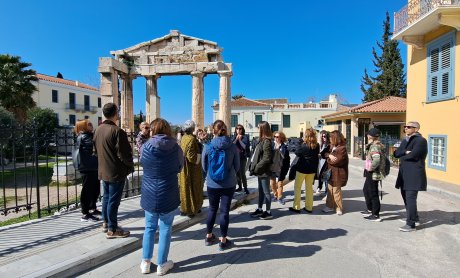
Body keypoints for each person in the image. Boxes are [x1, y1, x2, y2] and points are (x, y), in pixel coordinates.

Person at [139, 118, 184, 275]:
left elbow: (142, 162)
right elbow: (180, 167)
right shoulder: (176, 148)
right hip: (168, 191)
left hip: (150, 191)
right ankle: (162, 263)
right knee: (165, 228)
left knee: (149, 227)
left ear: (153, 130)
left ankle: (145, 261)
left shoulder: (146, 147)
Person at [93, 103, 134, 238]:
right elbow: (124, 153)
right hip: (115, 171)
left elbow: (95, 151)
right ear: (116, 113)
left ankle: (106, 222)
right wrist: (129, 166)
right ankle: (113, 228)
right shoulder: (117, 131)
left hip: (103, 169)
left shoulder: (98, 130)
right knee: (113, 201)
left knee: (106, 198)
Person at [202, 120, 240, 251]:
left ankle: (208, 236)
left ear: (213, 131)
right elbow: (238, 166)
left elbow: (204, 166)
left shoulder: (208, 146)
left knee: (212, 209)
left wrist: (210, 175)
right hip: (228, 183)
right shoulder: (232, 146)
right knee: (224, 212)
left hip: (212, 184)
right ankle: (223, 241)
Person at [394, 121, 427, 232]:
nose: (406, 128)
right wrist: (405, 152)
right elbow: (396, 154)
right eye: (405, 127)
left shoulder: (421, 141)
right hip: (404, 174)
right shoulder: (405, 140)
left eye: (409, 127)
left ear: (416, 129)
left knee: (411, 198)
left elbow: (414, 155)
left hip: (414, 174)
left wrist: (405, 153)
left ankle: (411, 224)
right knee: (405, 196)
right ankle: (414, 217)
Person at [74, 120, 100, 222]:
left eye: (91, 123)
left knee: (95, 188)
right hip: (87, 167)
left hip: (92, 166)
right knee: (87, 189)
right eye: (89, 124)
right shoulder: (84, 136)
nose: (91, 125)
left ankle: (92, 208)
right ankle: (85, 213)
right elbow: (95, 145)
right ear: (83, 127)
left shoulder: (89, 135)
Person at [289, 128, 319, 213]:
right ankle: (309, 207)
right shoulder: (317, 145)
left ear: (306, 135)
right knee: (309, 189)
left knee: (297, 188)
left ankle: (296, 207)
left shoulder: (303, 145)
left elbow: (297, 153)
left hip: (302, 169)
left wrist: (300, 142)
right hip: (312, 170)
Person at [249, 121, 274, 220]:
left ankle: (268, 212)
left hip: (264, 171)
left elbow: (267, 158)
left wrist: (257, 167)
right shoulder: (262, 140)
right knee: (261, 192)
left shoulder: (267, 142)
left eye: (259, 127)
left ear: (263, 129)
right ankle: (260, 209)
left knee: (266, 192)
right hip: (260, 171)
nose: (257, 129)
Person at [178, 120, 203, 217]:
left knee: (184, 188)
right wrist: (199, 155)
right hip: (191, 169)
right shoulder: (191, 139)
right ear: (192, 128)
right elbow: (192, 157)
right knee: (193, 188)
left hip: (183, 168)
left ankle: (184, 209)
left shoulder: (184, 137)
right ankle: (192, 209)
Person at [322, 130, 348, 216]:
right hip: (331, 173)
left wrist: (328, 159)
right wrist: (329, 155)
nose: (329, 138)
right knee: (330, 191)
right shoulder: (332, 146)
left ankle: (339, 208)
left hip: (338, 174)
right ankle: (329, 206)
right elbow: (323, 154)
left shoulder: (342, 148)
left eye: (330, 137)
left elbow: (337, 161)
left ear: (335, 138)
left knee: (336, 191)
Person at [362, 128, 385, 222]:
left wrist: (370, 168)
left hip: (373, 173)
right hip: (371, 172)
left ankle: (375, 214)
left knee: (373, 192)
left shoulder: (375, 146)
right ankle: (370, 209)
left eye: (368, 135)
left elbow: (376, 159)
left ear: (371, 136)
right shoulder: (373, 145)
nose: (367, 136)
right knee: (366, 190)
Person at [270, 131, 290, 205]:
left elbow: (284, 157)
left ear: (281, 138)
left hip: (281, 167)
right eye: (275, 136)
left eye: (277, 137)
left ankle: (280, 197)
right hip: (273, 167)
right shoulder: (272, 145)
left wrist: (278, 150)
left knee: (280, 183)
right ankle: (275, 195)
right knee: (272, 183)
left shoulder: (284, 146)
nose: (276, 138)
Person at [232, 124, 250, 194]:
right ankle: (239, 187)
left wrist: (239, 140)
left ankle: (245, 188)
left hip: (242, 157)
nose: (238, 130)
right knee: (237, 173)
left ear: (242, 130)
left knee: (242, 173)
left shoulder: (245, 137)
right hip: (235, 157)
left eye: (240, 129)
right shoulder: (233, 136)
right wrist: (236, 139)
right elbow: (232, 145)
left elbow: (245, 146)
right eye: (237, 129)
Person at [316, 130, 331, 195]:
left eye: (324, 136)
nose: (323, 138)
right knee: (320, 176)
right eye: (322, 136)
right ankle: (319, 187)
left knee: (326, 176)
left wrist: (321, 155)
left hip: (326, 162)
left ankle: (326, 191)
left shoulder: (329, 145)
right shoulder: (319, 144)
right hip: (320, 163)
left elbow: (325, 154)